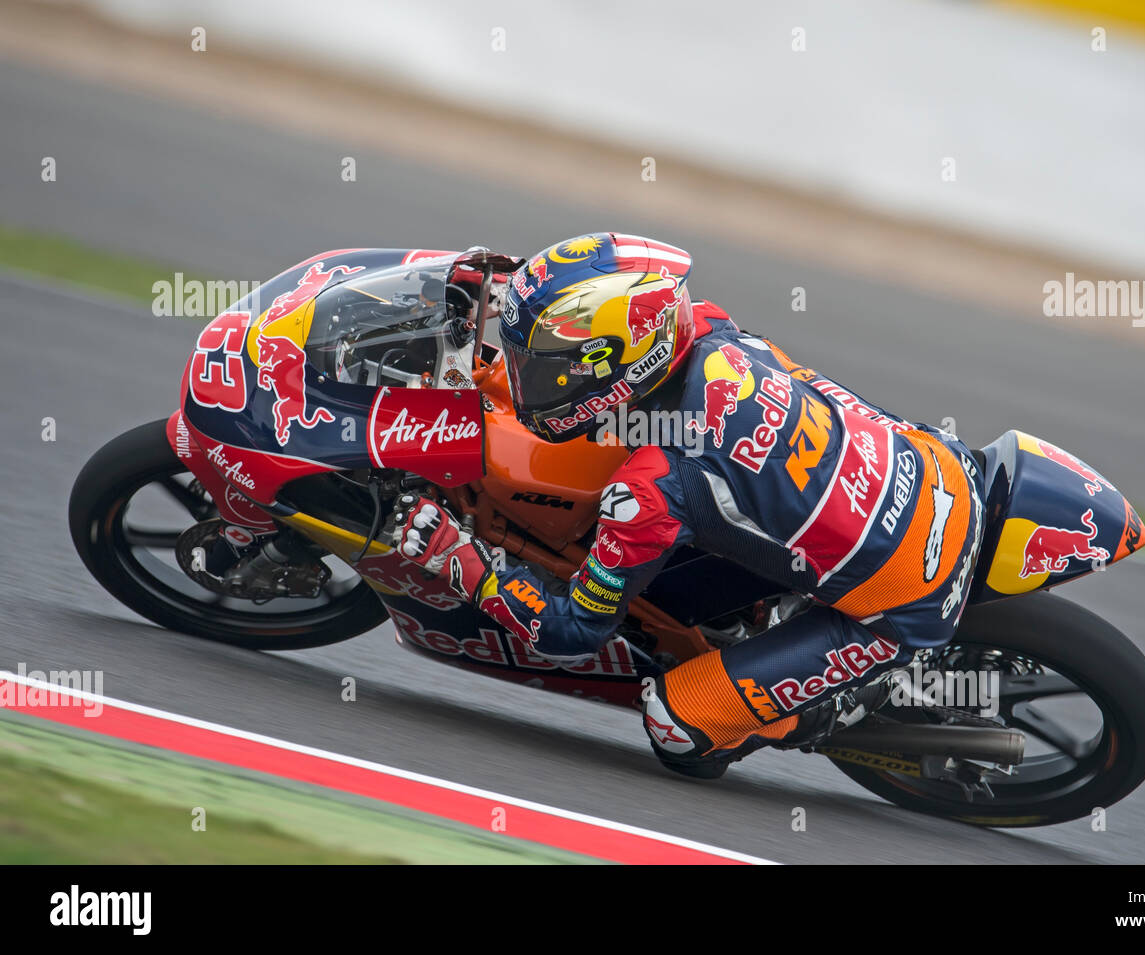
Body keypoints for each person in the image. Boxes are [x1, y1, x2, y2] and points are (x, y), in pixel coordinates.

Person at [388, 232, 986, 778]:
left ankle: (829, 710)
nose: (527, 381)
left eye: (546, 369)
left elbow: (570, 632)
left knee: (676, 727)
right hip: (941, 472)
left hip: (911, 592)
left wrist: (459, 560)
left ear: (616, 368)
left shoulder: (650, 493)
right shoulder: (710, 331)